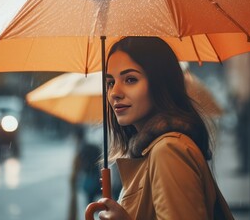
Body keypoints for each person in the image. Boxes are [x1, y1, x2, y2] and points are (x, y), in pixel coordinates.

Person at [95, 37, 234, 220]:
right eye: (110, 82)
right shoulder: (151, 151)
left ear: (160, 83)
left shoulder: (168, 150)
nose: (114, 93)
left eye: (130, 79)